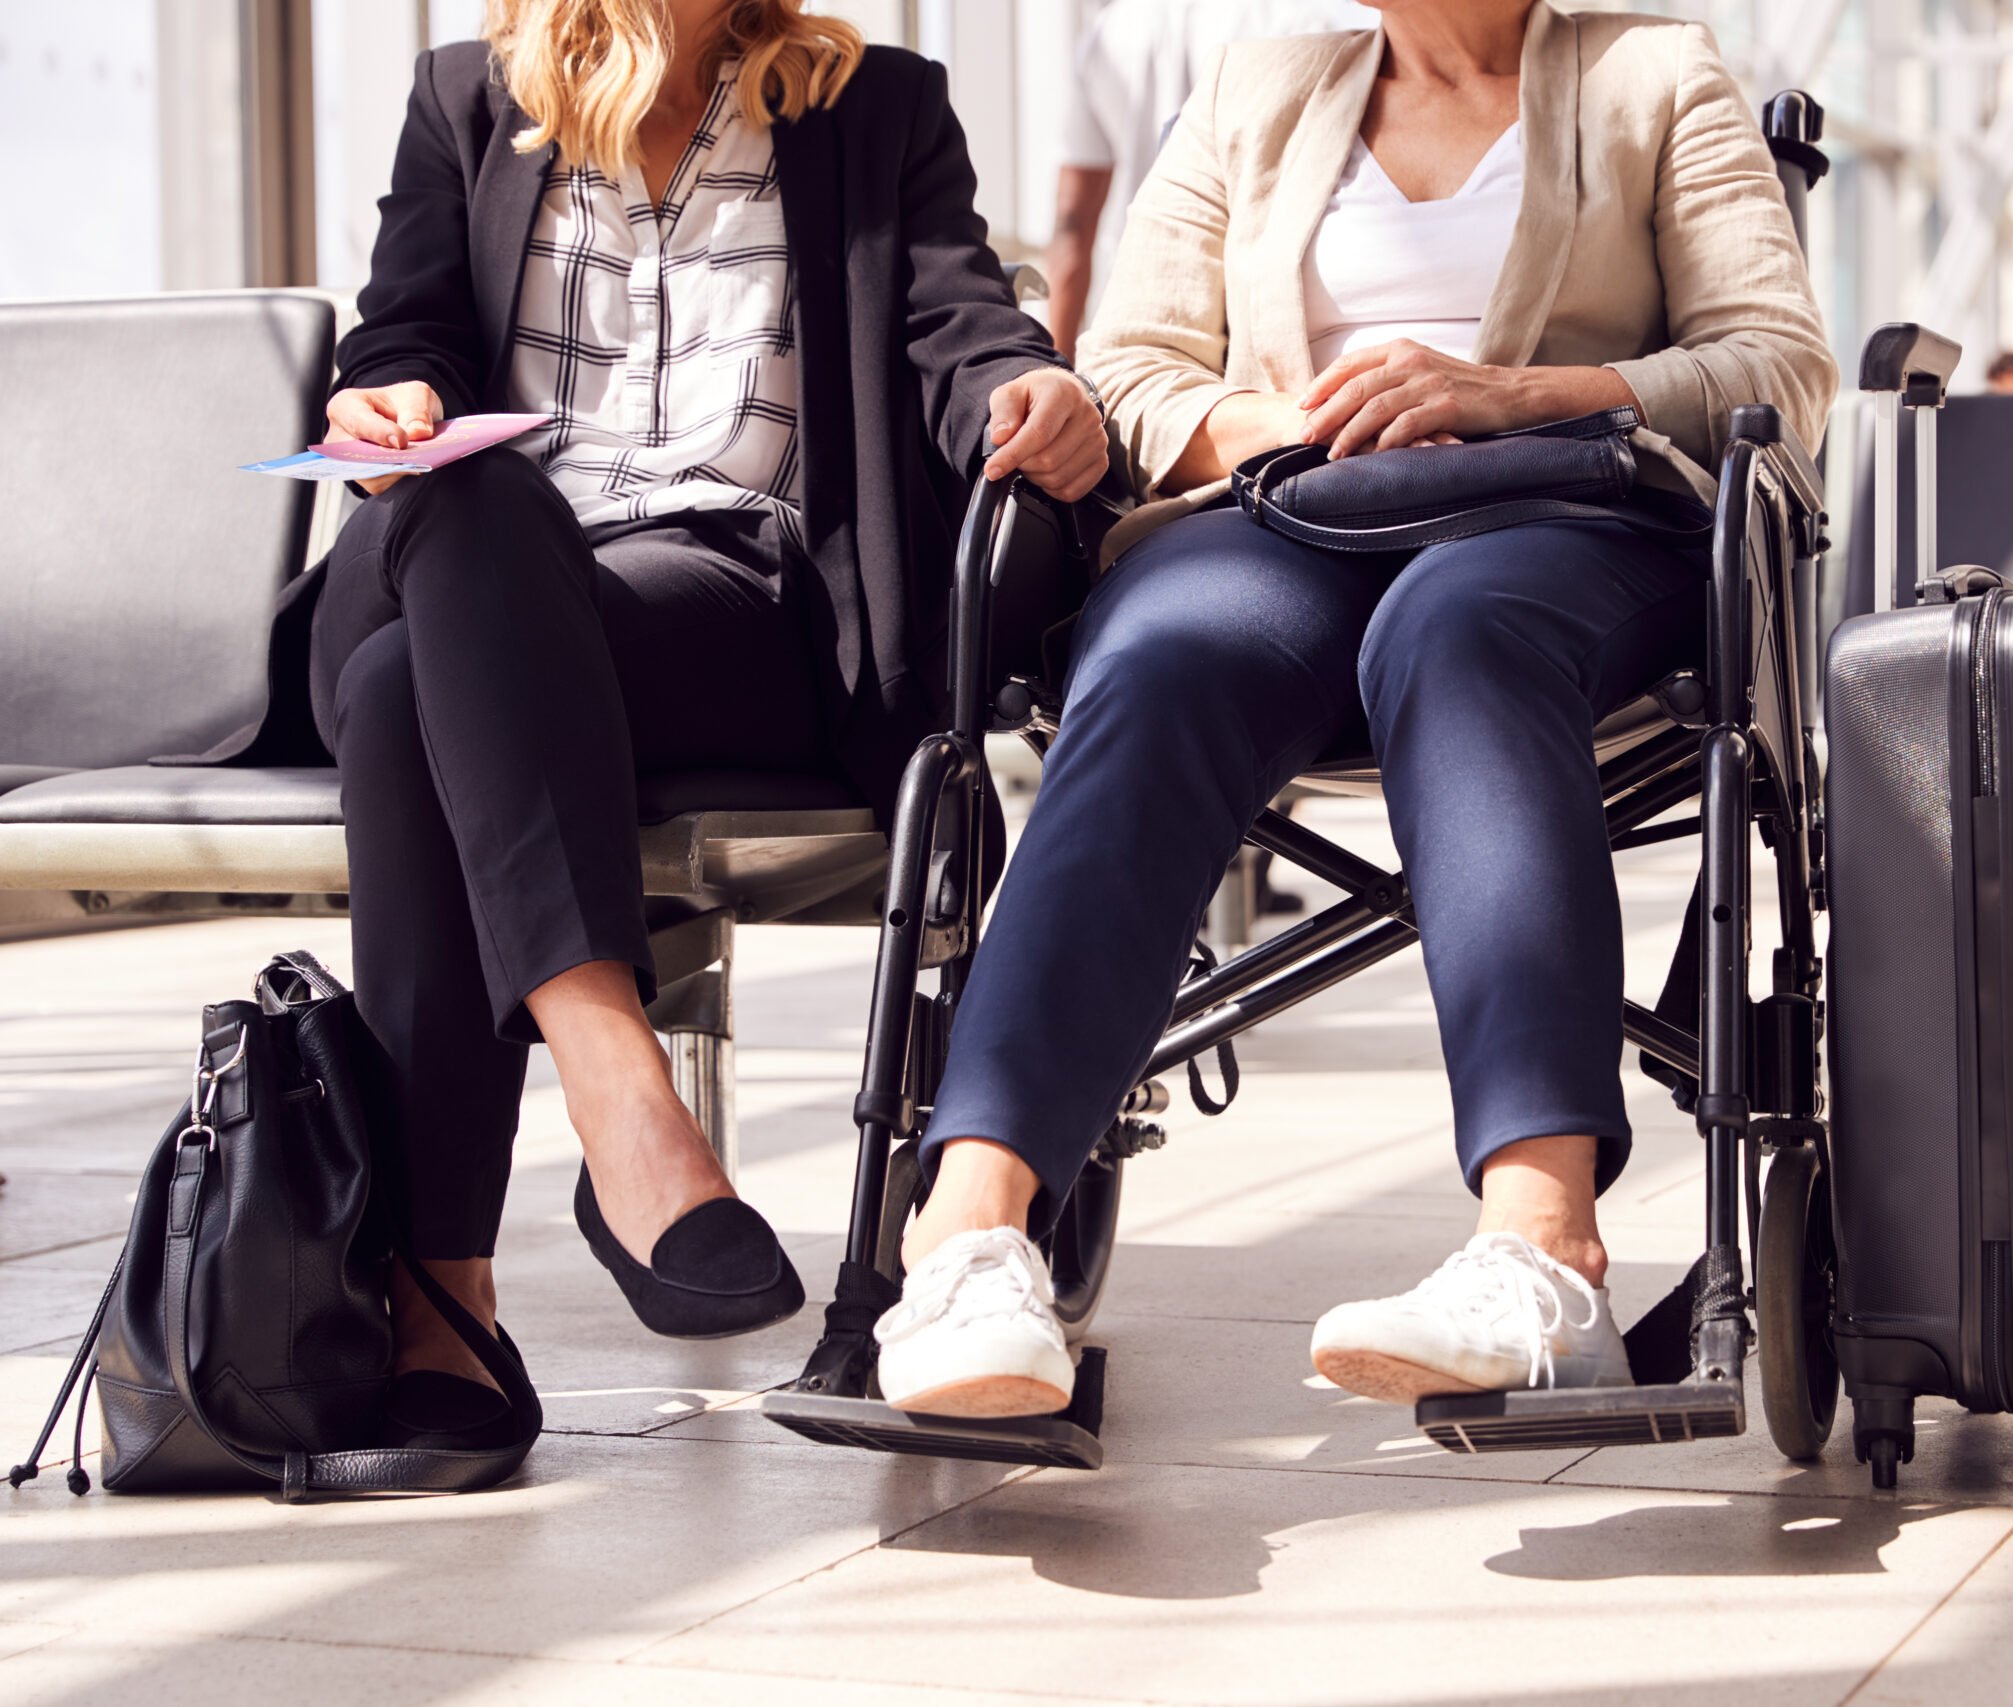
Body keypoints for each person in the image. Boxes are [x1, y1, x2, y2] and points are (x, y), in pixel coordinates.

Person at [870, 0, 1835, 1418]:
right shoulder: (1261, 89)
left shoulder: (1651, 72)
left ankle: (1540, 1241)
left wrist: (1511, 396)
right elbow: (1130, 368)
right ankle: (968, 1230)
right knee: (1154, 662)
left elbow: (1777, 368)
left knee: (1460, 630)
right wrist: (1285, 423)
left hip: (1557, 520)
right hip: (1286, 514)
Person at [215, 0, 1104, 1452]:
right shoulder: (466, 100)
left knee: (398, 705)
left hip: (724, 602)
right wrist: (387, 401)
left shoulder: (870, 106)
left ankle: (443, 1305)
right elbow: (407, 329)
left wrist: (1034, 388)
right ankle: (618, 1081)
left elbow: (962, 325)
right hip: (465, 555)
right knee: (472, 502)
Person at [1042, 0, 1372, 365]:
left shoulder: (1109, 32)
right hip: (1246, 327)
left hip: (1137, 316)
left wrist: (1056, 362)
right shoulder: (1295, 18)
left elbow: (1074, 223)